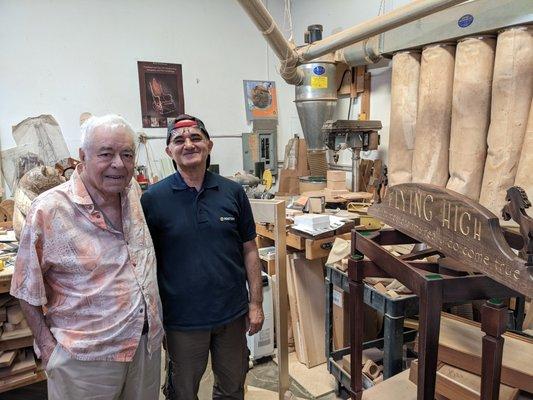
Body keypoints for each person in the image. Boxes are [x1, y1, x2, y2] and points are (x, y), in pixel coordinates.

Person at [10, 115, 163, 400]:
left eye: (127, 154)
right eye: (106, 154)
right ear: (83, 156)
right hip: (84, 359)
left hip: (144, 347)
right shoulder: (50, 209)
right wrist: (47, 347)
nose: (118, 163)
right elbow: (25, 286)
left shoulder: (132, 193)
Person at [141, 114, 264, 400]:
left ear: (209, 145)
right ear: (168, 151)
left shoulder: (233, 192)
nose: (188, 144)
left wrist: (255, 303)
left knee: (232, 388)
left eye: (196, 138)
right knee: (182, 392)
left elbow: (250, 249)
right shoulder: (153, 200)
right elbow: (145, 263)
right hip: (182, 321)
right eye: (179, 140)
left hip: (231, 316)